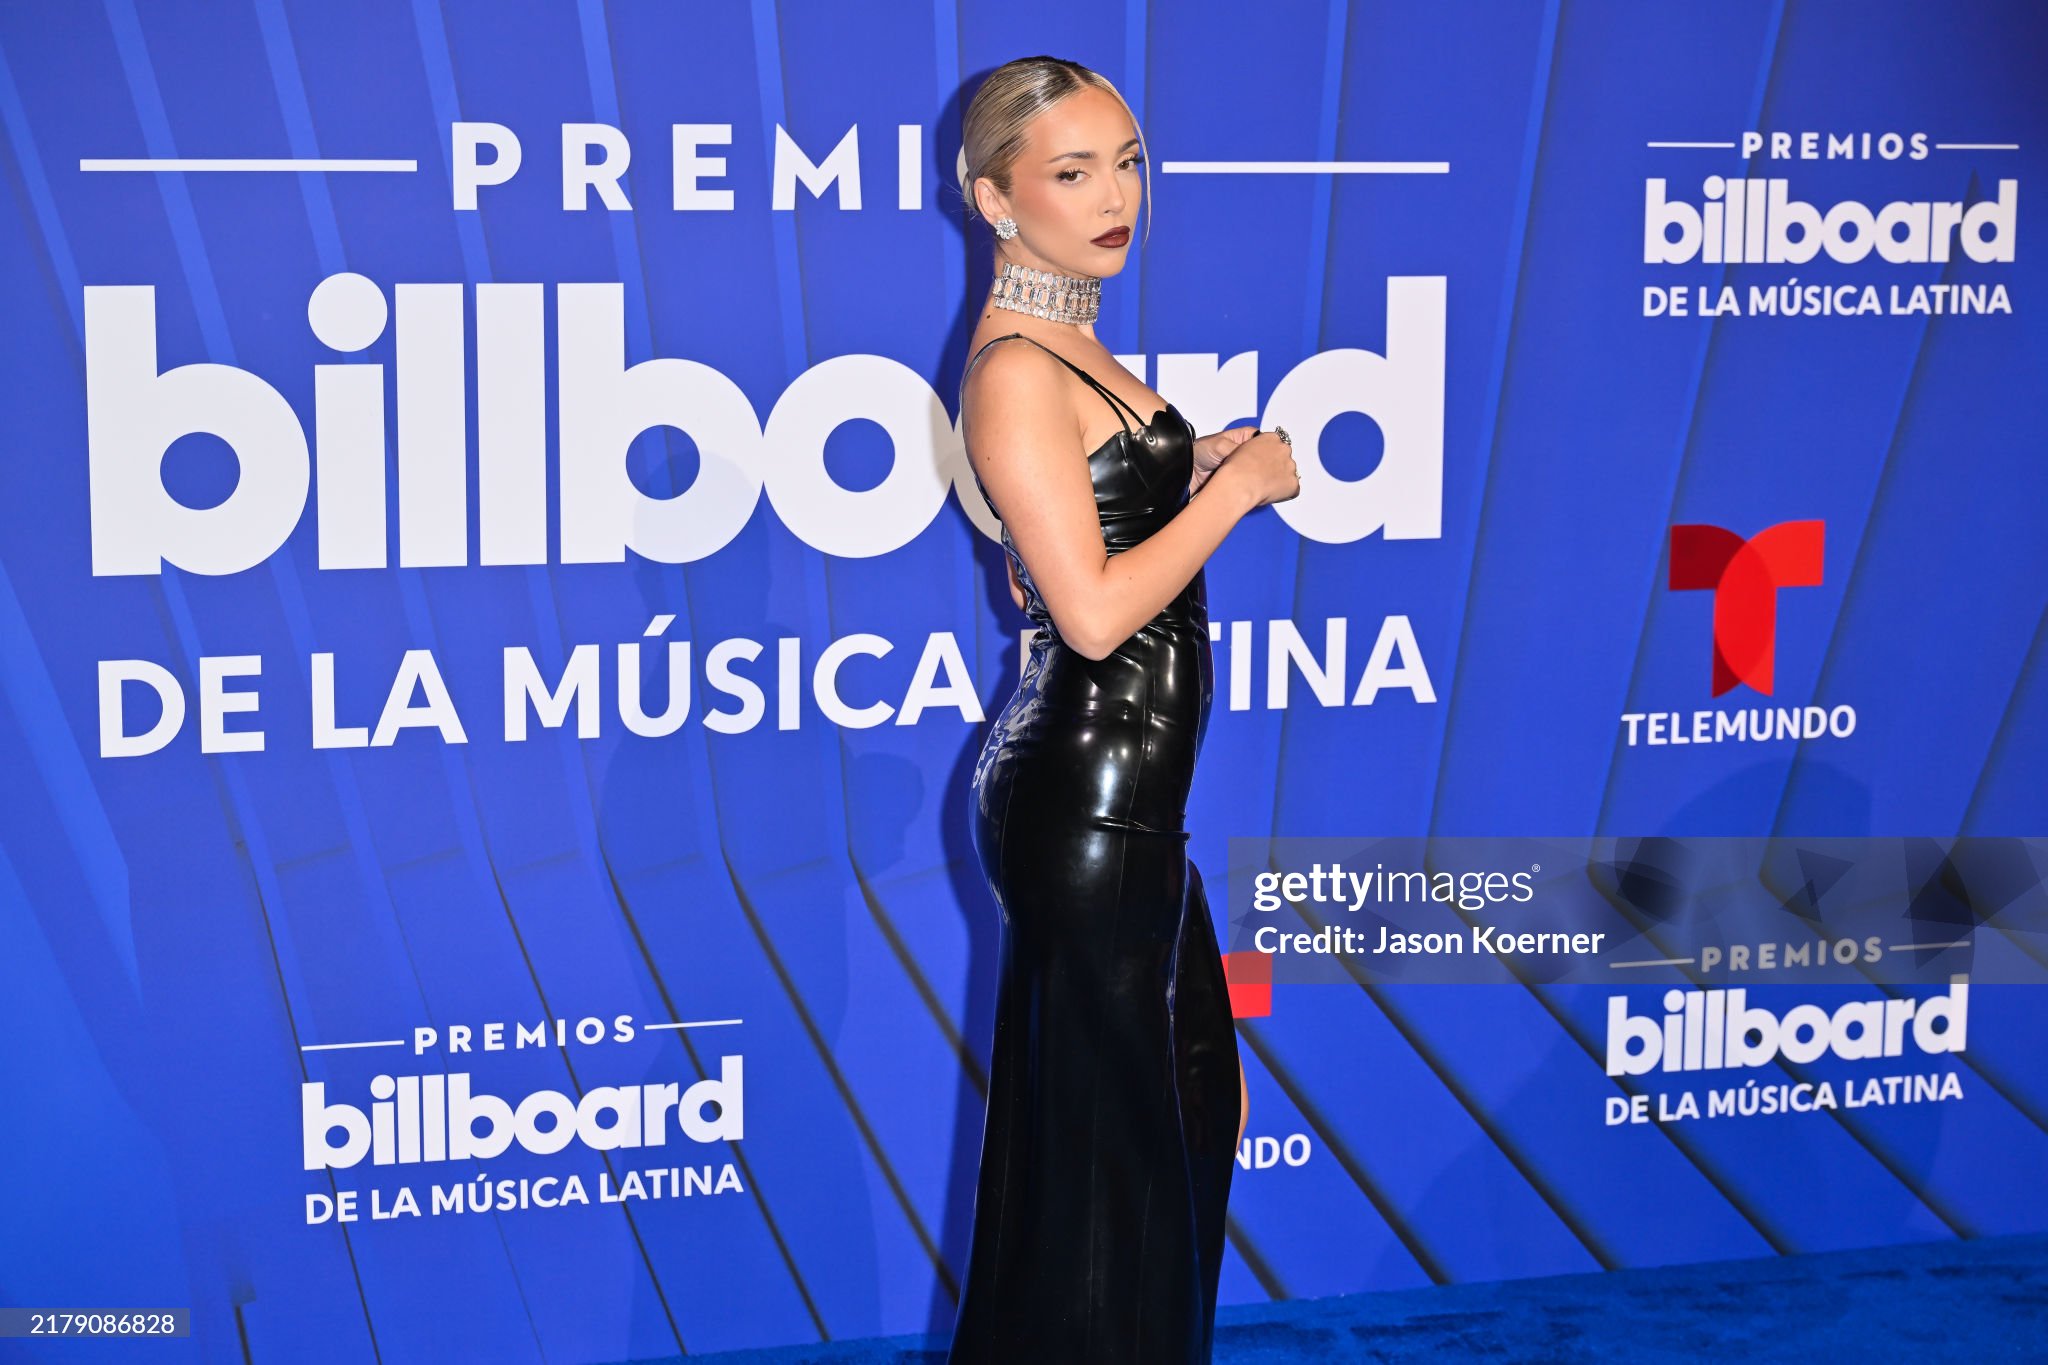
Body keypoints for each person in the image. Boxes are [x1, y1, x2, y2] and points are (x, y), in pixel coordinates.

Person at [946, 55, 1301, 1364]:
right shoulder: (1013, 367)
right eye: (1073, 172)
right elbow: (1094, 615)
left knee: (1188, 1118)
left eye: (1129, 164)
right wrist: (1237, 491)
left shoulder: (1067, 337)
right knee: (1117, 1166)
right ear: (996, 200)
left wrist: (1187, 463)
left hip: (1129, 803)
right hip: (1087, 804)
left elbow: (1089, 501)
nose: (1115, 198)